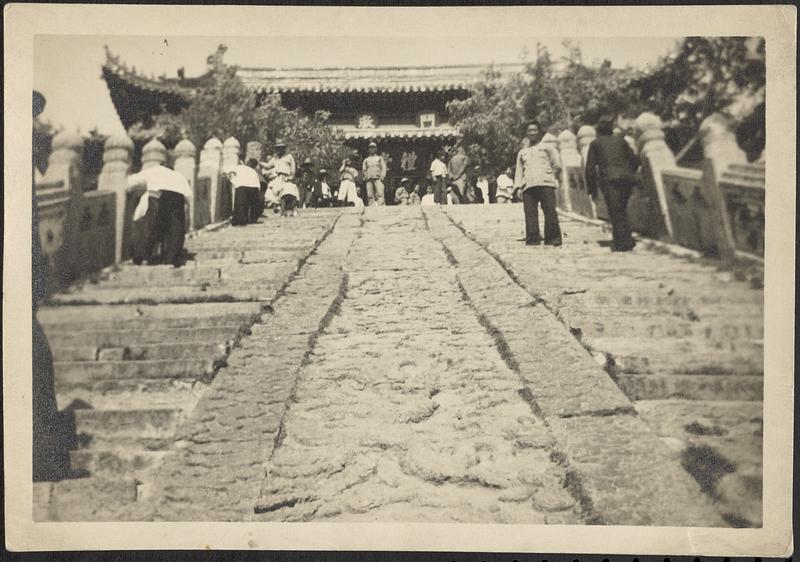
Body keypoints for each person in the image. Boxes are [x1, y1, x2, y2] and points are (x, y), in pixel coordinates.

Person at [585, 116, 640, 252]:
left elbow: (589, 168)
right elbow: (634, 159)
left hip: (609, 180)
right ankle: (623, 240)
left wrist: (592, 190)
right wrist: (629, 173)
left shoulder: (595, 144)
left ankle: (623, 244)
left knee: (615, 211)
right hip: (627, 179)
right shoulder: (621, 141)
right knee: (621, 209)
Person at [126, 164, 193, 266]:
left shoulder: (154, 170)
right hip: (177, 196)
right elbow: (189, 197)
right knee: (175, 228)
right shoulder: (179, 176)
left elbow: (130, 183)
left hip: (158, 195)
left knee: (149, 225)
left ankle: (142, 256)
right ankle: (171, 258)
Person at [514, 121, 563, 246]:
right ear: (526, 133)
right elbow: (519, 171)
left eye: (534, 130)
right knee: (530, 213)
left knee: (550, 211)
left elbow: (557, 164)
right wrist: (518, 187)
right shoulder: (522, 152)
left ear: (539, 132)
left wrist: (553, 177)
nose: (532, 133)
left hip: (546, 183)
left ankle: (553, 238)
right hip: (528, 185)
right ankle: (533, 238)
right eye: (529, 130)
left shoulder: (547, 148)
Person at [227, 159, 262, 226]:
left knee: (240, 204)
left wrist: (232, 180)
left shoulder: (239, 167)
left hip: (242, 186)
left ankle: (239, 220)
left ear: (247, 163)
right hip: (254, 187)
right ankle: (252, 219)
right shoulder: (253, 171)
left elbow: (229, 172)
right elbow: (258, 183)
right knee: (253, 204)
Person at [362, 141, 387, 206]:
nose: (372, 149)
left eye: (373, 148)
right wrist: (365, 175)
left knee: (380, 193)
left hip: (377, 177)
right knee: (370, 194)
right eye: (370, 148)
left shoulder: (379, 158)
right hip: (369, 177)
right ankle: (371, 206)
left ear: (376, 149)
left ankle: (381, 206)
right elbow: (364, 168)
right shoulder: (366, 159)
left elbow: (384, 167)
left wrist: (382, 175)